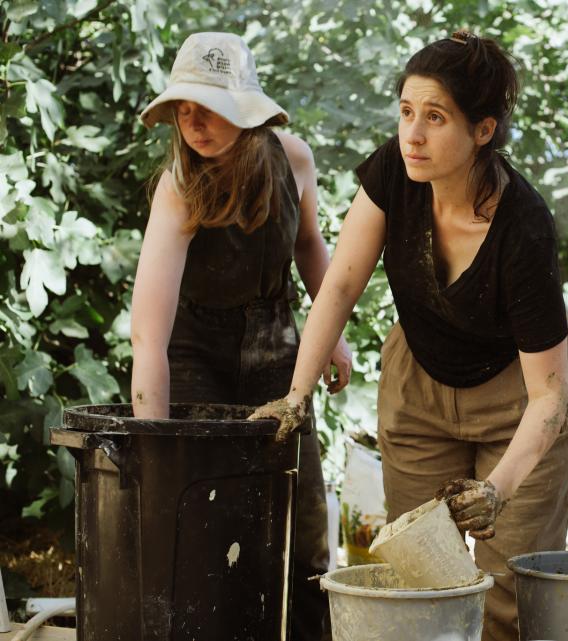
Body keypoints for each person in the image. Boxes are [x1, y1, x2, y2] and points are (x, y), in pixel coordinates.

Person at [251, 31, 568, 641]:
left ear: (483, 130)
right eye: (406, 112)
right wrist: (295, 396)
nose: (413, 134)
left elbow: (550, 396)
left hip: (521, 395)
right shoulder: (396, 169)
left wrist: (495, 492)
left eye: (435, 118)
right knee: (419, 583)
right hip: (420, 382)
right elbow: (340, 284)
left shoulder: (525, 227)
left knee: (506, 600)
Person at [131, 32, 350, 641]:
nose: (193, 123)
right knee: (207, 524)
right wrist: (155, 446)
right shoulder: (179, 185)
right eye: (183, 109)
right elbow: (148, 334)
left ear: (247, 111)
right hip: (195, 353)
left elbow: (309, 244)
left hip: (278, 346)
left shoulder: (293, 158)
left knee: (302, 528)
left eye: (208, 107)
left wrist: (330, 334)